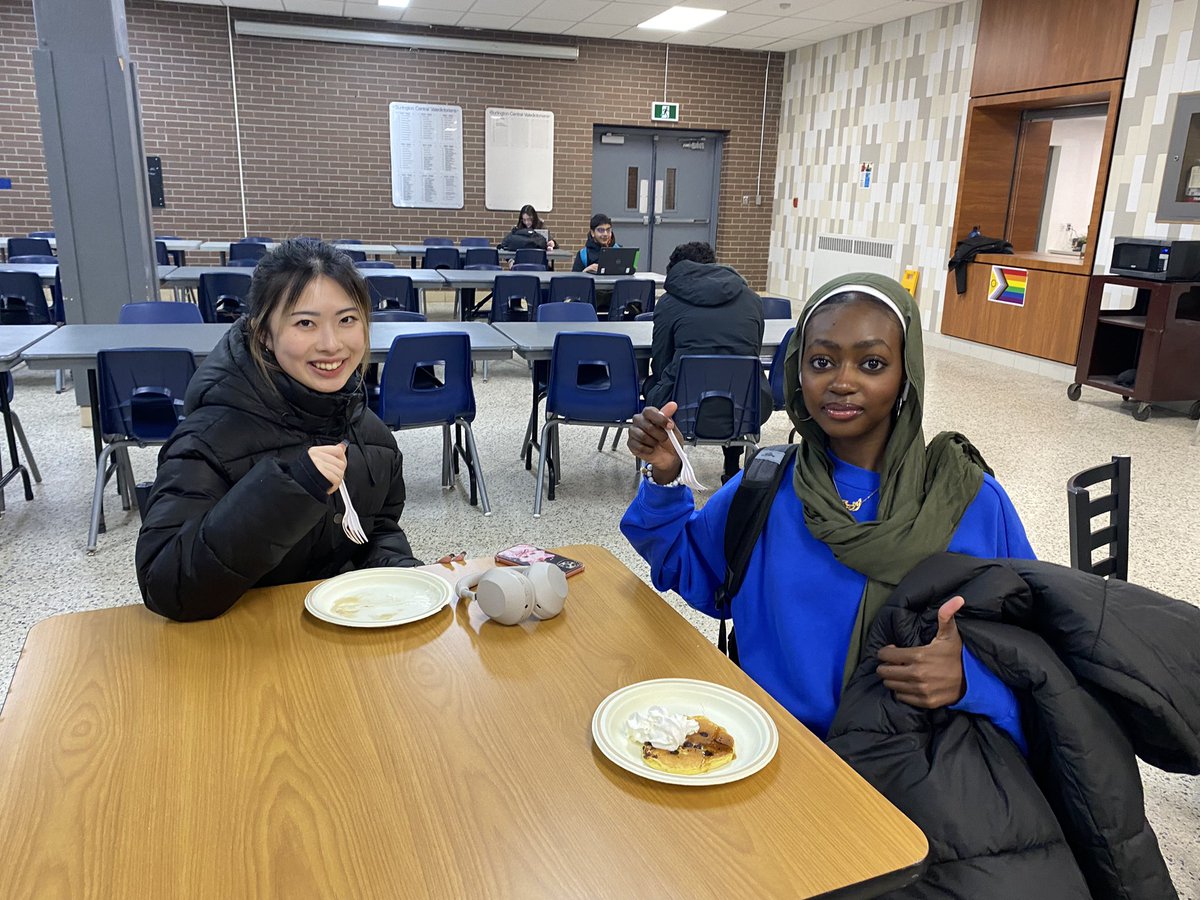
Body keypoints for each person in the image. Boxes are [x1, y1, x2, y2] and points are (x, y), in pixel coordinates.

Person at [620, 272, 1032, 749]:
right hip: (770, 752)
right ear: (798, 372)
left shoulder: (968, 500)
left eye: (872, 363)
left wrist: (967, 679)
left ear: (906, 375)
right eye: (822, 361)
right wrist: (666, 476)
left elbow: (1032, 650)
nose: (842, 382)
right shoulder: (768, 485)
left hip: (910, 768)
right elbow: (687, 568)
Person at [136, 239, 421, 621]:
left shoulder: (372, 436)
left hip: (332, 638)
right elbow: (166, 585)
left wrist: (407, 576)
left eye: (347, 320)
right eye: (305, 323)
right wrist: (288, 491)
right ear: (264, 334)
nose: (331, 344)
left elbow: (376, 531)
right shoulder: (207, 439)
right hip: (242, 641)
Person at [642, 241, 772, 483]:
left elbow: (660, 362)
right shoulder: (752, 299)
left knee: (653, 385)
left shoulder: (669, 303)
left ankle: (668, 466)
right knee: (734, 380)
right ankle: (732, 466)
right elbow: (752, 351)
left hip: (681, 409)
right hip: (747, 409)